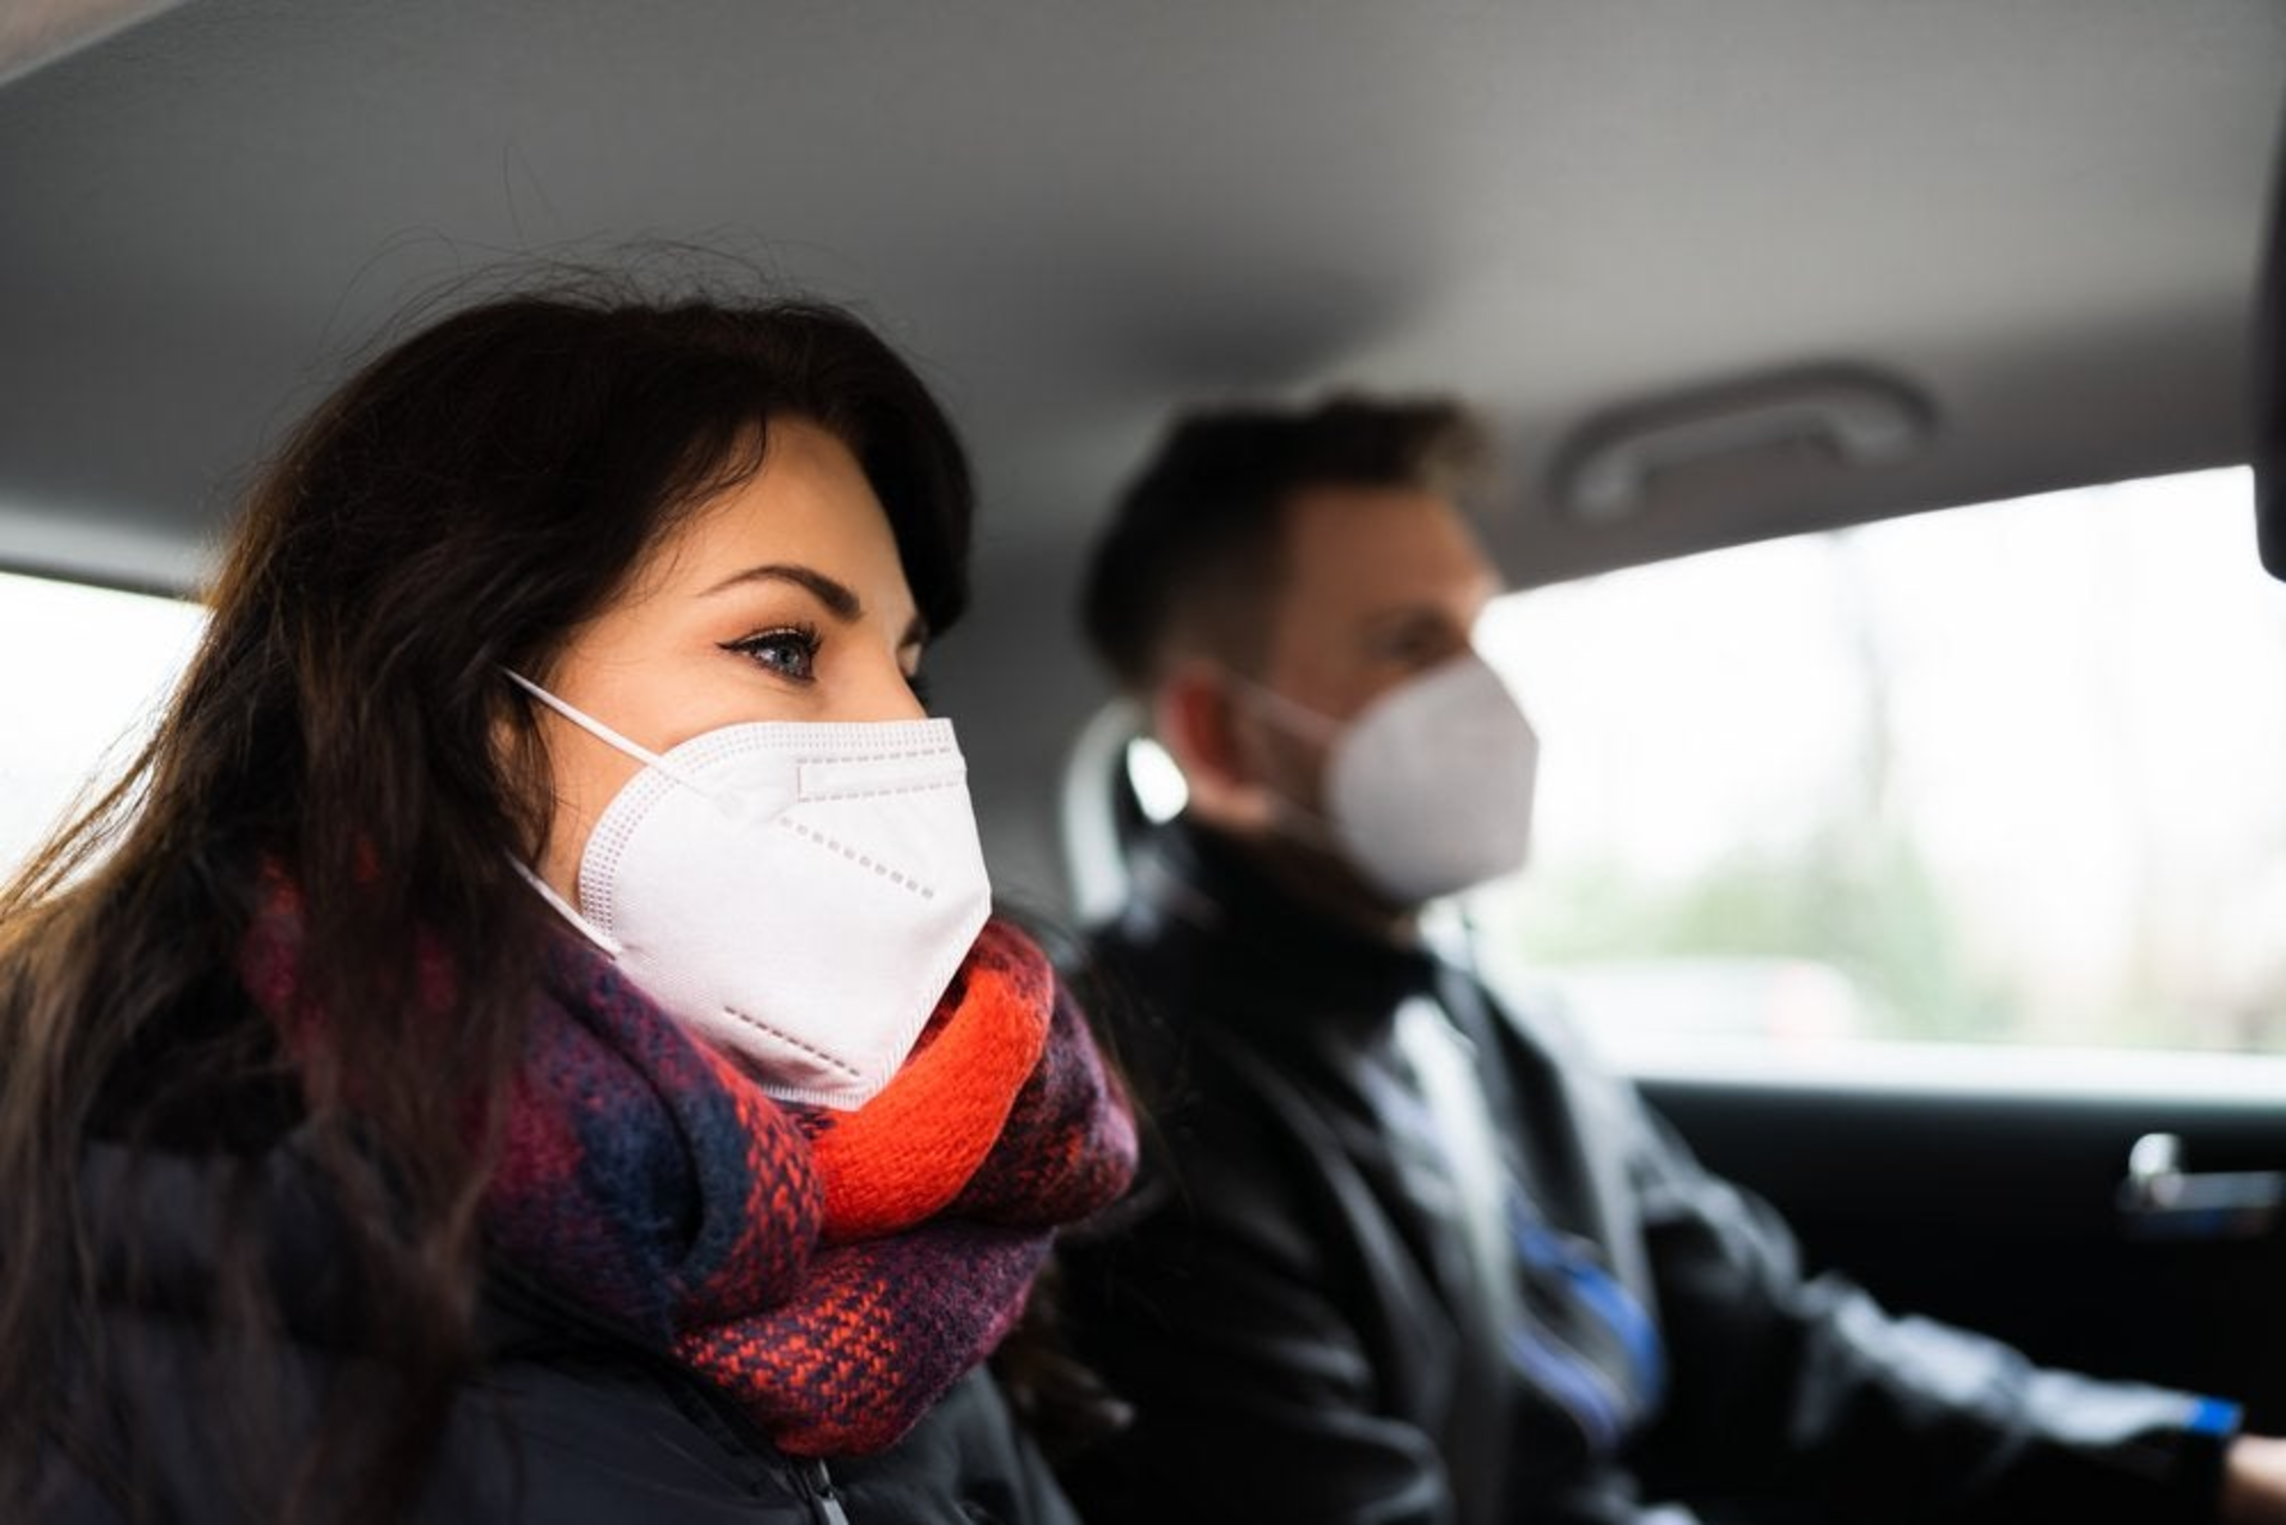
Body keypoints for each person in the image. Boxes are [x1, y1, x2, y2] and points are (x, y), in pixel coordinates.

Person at [0, 286, 1136, 1522]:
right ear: (470, 704)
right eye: (783, 645)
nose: (908, 734)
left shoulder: (921, 1267)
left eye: (912, 667)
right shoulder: (135, 1248)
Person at [1054, 394, 2286, 1525]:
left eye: (1478, 633)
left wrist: (2204, 1470)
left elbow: (1777, 1356)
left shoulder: (1476, 1013)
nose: (1486, 696)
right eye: (1410, 642)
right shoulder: (1134, 1118)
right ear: (1220, 737)